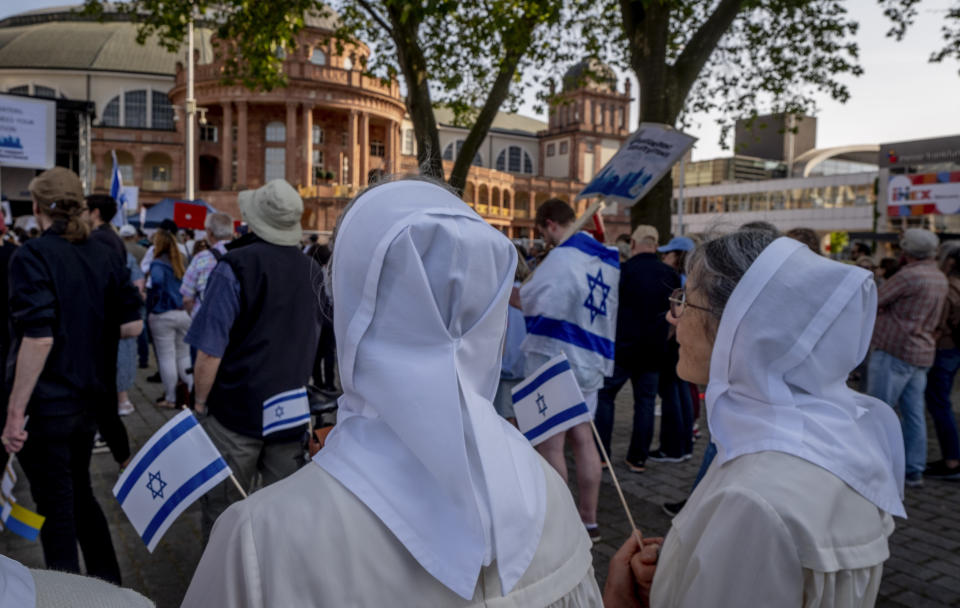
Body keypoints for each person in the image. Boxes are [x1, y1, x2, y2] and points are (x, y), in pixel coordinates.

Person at [182, 178, 601, 607]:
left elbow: (209, 349)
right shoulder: (549, 493)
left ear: (351, 303)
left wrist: (199, 401)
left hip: (243, 412)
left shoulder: (260, 536)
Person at [605, 230, 906, 607]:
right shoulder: (841, 435)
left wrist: (619, 599)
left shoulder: (751, 500)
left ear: (739, 326)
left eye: (684, 300)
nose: (671, 315)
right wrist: (681, 571)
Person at [1, 168, 142, 584]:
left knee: (57, 510)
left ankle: (67, 596)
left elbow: (38, 338)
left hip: (48, 407)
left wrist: (13, 413)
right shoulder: (104, 252)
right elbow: (132, 325)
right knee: (81, 496)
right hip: (89, 404)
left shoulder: (33, 254)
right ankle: (109, 587)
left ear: (39, 207)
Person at [186, 180, 322, 543]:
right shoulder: (312, 271)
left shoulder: (235, 265)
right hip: (291, 412)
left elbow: (209, 351)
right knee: (282, 516)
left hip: (235, 413)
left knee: (225, 515)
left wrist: (200, 403)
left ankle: (224, 590)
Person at [518, 198, 618, 541]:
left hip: (558, 360)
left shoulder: (563, 257)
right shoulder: (603, 257)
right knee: (584, 439)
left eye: (542, 233)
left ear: (549, 224)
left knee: (551, 444)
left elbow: (533, 299)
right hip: (591, 360)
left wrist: (507, 293)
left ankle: (559, 525)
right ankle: (589, 521)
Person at [867, 228, 947, 487]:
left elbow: (875, 299)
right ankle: (913, 468)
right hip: (921, 352)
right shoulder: (938, 276)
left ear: (907, 251)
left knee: (879, 410)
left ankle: (874, 466)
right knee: (914, 414)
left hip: (896, 349)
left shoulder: (909, 276)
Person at [595, 226, 679, 473]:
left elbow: (608, 309)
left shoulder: (623, 271)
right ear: (656, 244)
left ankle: (601, 455)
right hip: (653, 348)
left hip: (622, 347)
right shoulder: (670, 275)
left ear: (632, 243)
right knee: (645, 403)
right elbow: (677, 314)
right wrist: (665, 337)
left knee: (605, 397)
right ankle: (638, 458)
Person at [924, 245, 960, 479]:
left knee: (939, 405)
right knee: (941, 404)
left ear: (949, 262)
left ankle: (952, 460)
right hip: (954, 351)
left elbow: (939, 322)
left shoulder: (949, 288)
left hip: (944, 349)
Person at [147, 228, 193, 409]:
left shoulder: (157, 263)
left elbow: (156, 282)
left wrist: (154, 297)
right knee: (183, 355)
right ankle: (190, 392)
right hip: (183, 312)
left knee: (166, 357)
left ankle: (171, 397)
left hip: (163, 312)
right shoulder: (182, 260)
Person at [493, 246, 530, 424]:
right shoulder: (529, 291)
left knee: (507, 418)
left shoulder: (505, 293)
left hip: (509, 366)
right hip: (525, 364)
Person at [180, 212, 234, 318]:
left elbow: (187, 299)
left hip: (206, 321)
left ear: (210, 232)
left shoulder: (201, 258)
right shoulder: (244, 256)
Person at [308, 243, 337, 390]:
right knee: (329, 352)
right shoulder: (330, 273)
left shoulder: (311, 272)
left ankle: (318, 382)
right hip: (330, 315)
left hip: (315, 316)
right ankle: (330, 384)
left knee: (316, 353)